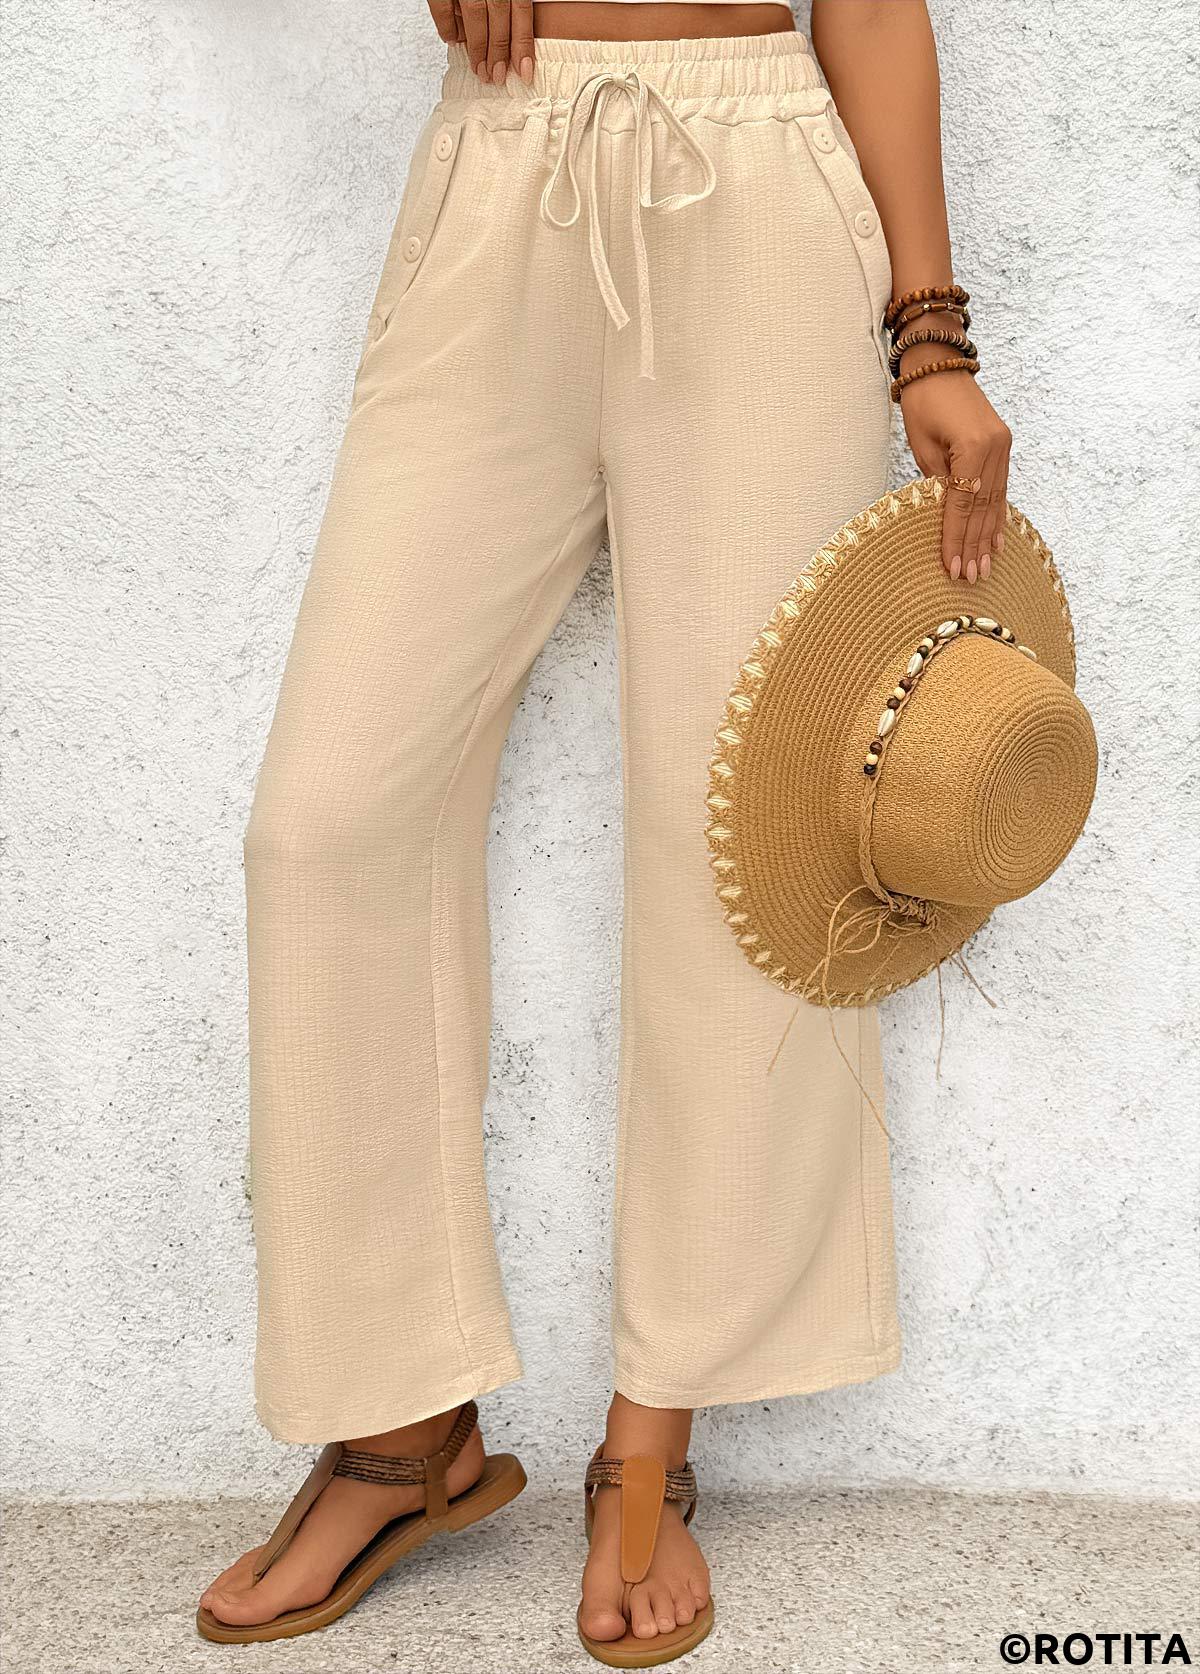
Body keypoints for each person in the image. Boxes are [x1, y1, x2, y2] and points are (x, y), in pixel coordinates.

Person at [198, 0, 1012, 1661]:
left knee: (736, 833)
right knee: (328, 822)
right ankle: (400, 1426)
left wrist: (930, 334)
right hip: (503, 163)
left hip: (758, 188)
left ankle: (655, 1433)